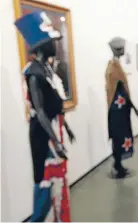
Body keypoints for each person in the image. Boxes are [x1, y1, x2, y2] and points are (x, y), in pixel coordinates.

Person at [15, 12, 75, 221]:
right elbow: (40, 111)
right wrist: (55, 141)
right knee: (44, 184)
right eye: (52, 42)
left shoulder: (47, 69)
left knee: (57, 182)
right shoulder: (34, 73)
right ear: (41, 46)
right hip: (43, 136)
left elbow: (54, 104)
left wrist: (65, 128)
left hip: (53, 130)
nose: (56, 45)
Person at [106, 36, 138, 179]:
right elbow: (121, 91)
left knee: (119, 137)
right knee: (118, 137)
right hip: (117, 112)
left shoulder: (115, 66)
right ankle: (117, 165)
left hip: (120, 110)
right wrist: (134, 107)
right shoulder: (113, 68)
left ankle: (118, 165)